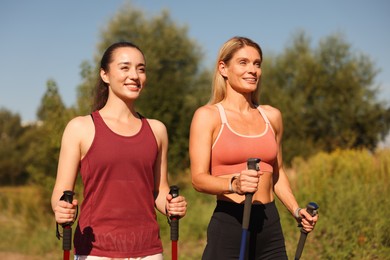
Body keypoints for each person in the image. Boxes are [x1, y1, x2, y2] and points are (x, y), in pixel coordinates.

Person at [51, 41, 187, 260]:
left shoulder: (157, 130)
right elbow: (61, 191)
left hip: (149, 250)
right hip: (96, 251)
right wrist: (61, 209)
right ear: (105, 74)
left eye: (140, 69)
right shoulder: (80, 128)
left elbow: (159, 191)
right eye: (125, 67)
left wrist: (172, 206)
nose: (134, 75)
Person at [189, 36, 318, 259]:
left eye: (257, 64)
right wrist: (233, 184)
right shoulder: (208, 116)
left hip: (269, 223)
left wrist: (297, 211)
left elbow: (277, 174)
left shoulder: (272, 116)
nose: (253, 70)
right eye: (243, 62)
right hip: (230, 222)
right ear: (223, 68)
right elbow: (198, 179)